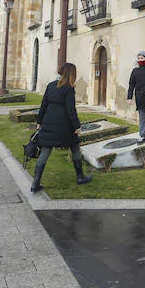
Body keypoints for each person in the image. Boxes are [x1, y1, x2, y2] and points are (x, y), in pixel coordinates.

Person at [31, 62, 91, 193]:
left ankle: (35, 183)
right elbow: (71, 110)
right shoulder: (68, 88)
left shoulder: (51, 85)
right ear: (71, 74)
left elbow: (43, 105)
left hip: (49, 122)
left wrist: (39, 121)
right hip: (64, 125)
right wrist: (77, 126)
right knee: (75, 147)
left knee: (45, 150)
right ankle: (80, 176)